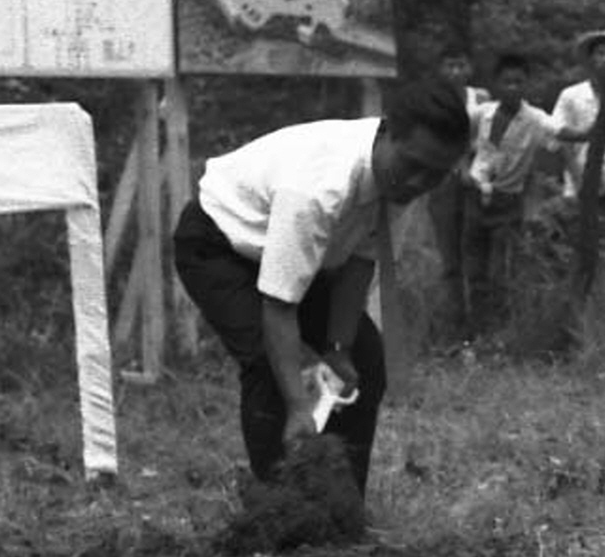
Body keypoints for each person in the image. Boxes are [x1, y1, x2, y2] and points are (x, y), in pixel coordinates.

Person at [171, 76, 469, 495]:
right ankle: (280, 509)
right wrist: (298, 407)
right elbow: (279, 305)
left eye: (436, 175)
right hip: (221, 243)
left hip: (300, 254)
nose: (420, 183)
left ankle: (343, 504)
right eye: (414, 166)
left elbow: (361, 263)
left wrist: (337, 348)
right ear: (388, 134)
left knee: (364, 359)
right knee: (268, 362)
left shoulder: (399, 180)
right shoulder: (318, 188)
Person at [460, 52, 555, 336]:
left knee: (501, 271)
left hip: (507, 201)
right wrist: (463, 169)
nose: (512, 87)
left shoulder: (537, 120)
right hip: (476, 196)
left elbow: (563, 135)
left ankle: (500, 333)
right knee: (475, 272)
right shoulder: (482, 113)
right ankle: (476, 332)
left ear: (526, 85)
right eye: (507, 82)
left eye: (518, 82)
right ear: (497, 84)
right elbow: (458, 139)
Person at [550, 30, 605, 240]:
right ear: (590, 59)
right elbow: (560, 134)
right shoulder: (571, 95)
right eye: (600, 53)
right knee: (576, 239)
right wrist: (579, 179)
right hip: (578, 179)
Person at [422, 48, 486, 341]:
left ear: (469, 68)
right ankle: (453, 327)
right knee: (450, 261)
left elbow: (489, 139)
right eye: (450, 65)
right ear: (440, 69)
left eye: (461, 64)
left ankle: (481, 325)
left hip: (477, 181)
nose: (456, 71)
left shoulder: (481, 98)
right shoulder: (431, 100)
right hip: (444, 181)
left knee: (475, 256)